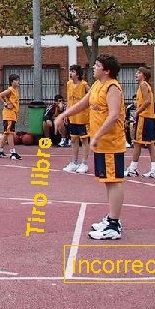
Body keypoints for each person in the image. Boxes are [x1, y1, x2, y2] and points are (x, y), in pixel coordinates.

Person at [55, 54, 126, 240]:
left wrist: (97, 136)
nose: (93, 68)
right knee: (108, 181)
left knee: (114, 180)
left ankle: (114, 225)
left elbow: (113, 115)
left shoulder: (112, 87)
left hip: (111, 142)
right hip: (102, 142)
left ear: (106, 70)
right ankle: (112, 218)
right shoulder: (96, 86)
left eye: (97, 65)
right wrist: (62, 115)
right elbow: (82, 104)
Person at [125, 66, 155, 179]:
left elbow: (147, 101)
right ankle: (154, 170)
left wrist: (137, 112)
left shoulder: (143, 85)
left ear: (144, 75)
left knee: (137, 143)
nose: (136, 74)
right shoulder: (145, 86)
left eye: (139, 72)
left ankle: (133, 169)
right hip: (148, 117)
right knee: (150, 143)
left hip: (144, 118)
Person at [62, 65, 92, 174]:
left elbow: (92, 96)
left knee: (84, 140)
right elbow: (69, 101)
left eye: (73, 71)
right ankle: (74, 162)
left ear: (78, 74)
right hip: (72, 117)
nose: (70, 73)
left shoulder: (84, 85)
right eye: (70, 71)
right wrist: (66, 113)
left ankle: (84, 163)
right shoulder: (68, 84)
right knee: (74, 140)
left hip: (83, 118)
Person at [0, 74, 22, 160]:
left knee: (6, 134)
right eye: (16, 80)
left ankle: (0, 151)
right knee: (10, 133)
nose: (18, 82)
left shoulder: (15, 90)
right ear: (11, 82)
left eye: (18, 80)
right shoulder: (9, 90)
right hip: (8, 115)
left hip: (12, 114)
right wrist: (6, 104)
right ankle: (13, 152)